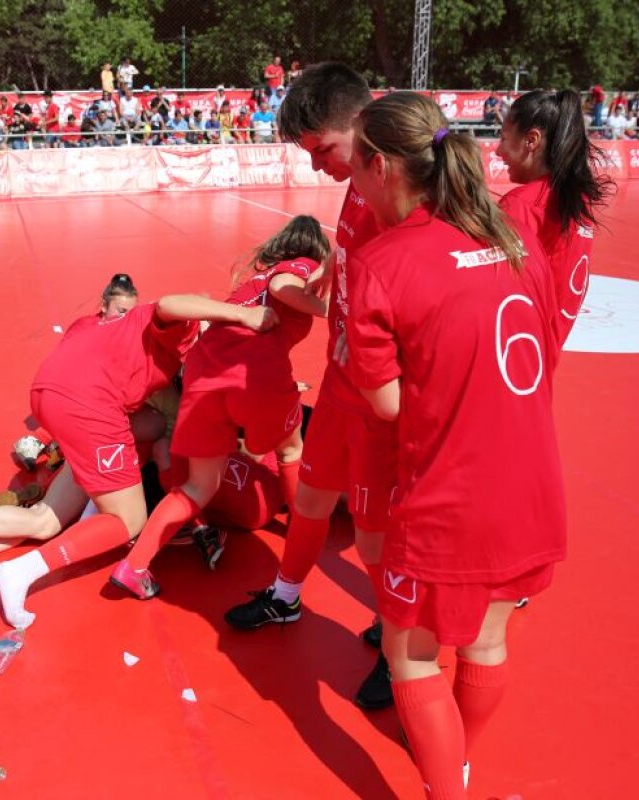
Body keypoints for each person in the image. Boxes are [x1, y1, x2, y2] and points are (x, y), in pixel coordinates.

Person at [344, 91, 564, 800]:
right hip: (532, 488)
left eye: (354, 168)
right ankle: (459, 763)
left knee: (410, 656)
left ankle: (447, 787)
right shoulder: (510, 240)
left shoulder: (382, 262)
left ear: (380, 166)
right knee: (488, 640)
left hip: (449, 494)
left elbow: (385, 404)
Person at [0, 277, 278, 627]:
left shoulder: (96, 328)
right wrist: (240, 315)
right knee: (128, 521)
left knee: (46, 520)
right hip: (91, 411)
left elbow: (101, 387)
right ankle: (20, 571)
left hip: (57, 400)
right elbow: (174, 305)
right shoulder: (175, 330)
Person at [222, 62, 397, 712]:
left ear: (361, 121)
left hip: (381, 396)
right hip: (342, 384)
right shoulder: (358, 185)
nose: (318, 166)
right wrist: (332, 265)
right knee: (314, 501)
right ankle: (287, 597)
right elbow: (357, 252)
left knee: (378, 535)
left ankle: (395, 633)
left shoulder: (400, 193)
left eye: (322, 148)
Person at [110, 216, 331, 597]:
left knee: (197, 485)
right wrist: (331, 309)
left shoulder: (247, 287)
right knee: (291, 449)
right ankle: (301, 529)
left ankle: (134, 567)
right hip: (253, 376)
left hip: (203, 377)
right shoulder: (301, 267)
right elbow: (283, 286)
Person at [495, 90, 614, 355]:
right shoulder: (577, 199)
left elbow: (493, 289)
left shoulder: (522, 205)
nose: (497, 150)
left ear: (532, 140)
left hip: (513, 353)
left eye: (503, 138)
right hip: (544, 353)